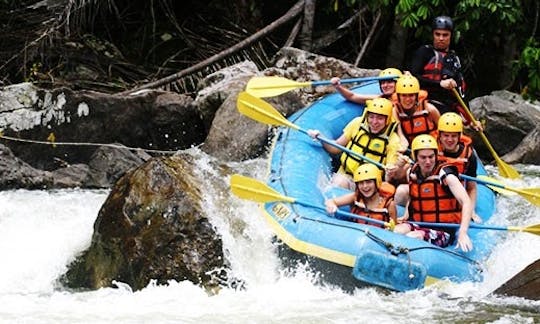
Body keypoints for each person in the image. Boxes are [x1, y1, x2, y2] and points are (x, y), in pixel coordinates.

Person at [393, 134, 474, 252]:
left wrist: (463, 232)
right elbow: (414, 197)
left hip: (442, 230)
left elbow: (466, 201)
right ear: (415, 157)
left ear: (436, 155)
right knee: (396, 231)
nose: (428, 161)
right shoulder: (411, 172)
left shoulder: (447, 176)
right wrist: (406, 216)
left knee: (413, 237)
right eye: (423, 157)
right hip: (419, 224)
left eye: (431, 157)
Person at [307, 97, 401, 189]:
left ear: (387, 120)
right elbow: (335, 148)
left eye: (380, 118)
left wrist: (391, 172)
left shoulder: (393, 140)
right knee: (339, 182)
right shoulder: (357, 124)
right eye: (371, 117)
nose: (374, 122)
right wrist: (320, 137)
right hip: (346, 176)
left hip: (370, 186)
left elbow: (389, 177)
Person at [409, 15, 482, 132]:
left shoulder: (454, 60)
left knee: (458, 125)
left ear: (450, 36)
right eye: (437, 34)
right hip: (424, 102)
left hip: (445, 106)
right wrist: (440, 84)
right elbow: (413, 78)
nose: (441, 38)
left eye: (445, 35)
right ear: (433, 34)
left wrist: (471, 120)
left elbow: (461, 93)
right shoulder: (424, 52)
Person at [437, 112, 482, 223]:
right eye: (446, 135)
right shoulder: (432, 149)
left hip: (457, 194)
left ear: (459, 136)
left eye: (453, 136)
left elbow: (471, 188)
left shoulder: (469, 156)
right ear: (440, 136)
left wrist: (471, 211)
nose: (450, 140)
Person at [325, 163, 397, 228]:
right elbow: (331, 201)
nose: (365, 186)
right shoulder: (355, 197)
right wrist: (331, 206)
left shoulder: (389, 205)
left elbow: (393, 229)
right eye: (361, 183)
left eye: (369, 182)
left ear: (377, 182)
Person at [393, 75, 440, 147]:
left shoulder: (430, 109)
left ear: (416, 96)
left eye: (411, 95)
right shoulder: (396, 111)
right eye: (404, 95)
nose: (408, 99)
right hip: (409, 149)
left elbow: (443, 132)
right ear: (398, 97)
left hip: (430, 149)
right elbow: (400, 134)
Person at [331, 68, 403, 103]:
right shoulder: (379, 98)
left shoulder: (409, 99)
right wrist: (338, 87)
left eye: (390, 82)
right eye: (383, 83)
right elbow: (351, 96)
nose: (385, 85)